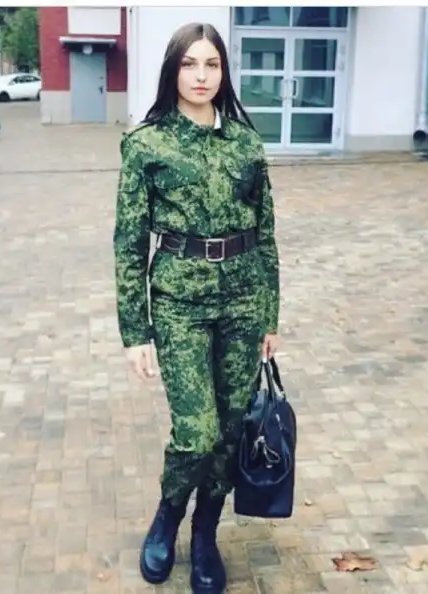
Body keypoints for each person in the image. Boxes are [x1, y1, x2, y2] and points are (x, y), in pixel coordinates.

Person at [112, 22, 280, 594]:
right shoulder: (147, 144)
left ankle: (205, 533)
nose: (201, 76)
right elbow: (128, 243)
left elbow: (267, 234)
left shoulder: (246, 143)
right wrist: (135, 331)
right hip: (179, 303)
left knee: (230, 432)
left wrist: (270, 315)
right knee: (197, 432)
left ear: (224, 72)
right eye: (190, 64)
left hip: (242, 300)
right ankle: (168, 515)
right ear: (173, 71)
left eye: (212, 64)